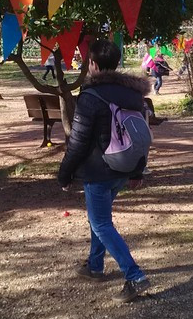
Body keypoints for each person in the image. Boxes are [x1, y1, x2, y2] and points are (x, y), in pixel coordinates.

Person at [58, 38, 151, 303]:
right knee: (98, 220)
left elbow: (77, 141)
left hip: (98, 171)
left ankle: (134, 276)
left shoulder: (90, 97)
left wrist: (65, 174)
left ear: (93, 65)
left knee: (100, 223)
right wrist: (137, 171)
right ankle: (95, 266)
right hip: (123, 168)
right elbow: (141, 135)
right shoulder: (133, 94)